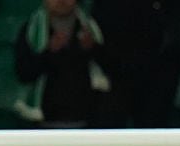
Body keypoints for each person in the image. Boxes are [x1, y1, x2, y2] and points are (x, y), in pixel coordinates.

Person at [91, 0, 180, 127]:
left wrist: (165, 78)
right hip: (113, 77)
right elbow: (97, 30)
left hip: (156, 79)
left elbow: (177, 34)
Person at [14, 0, 110, 128]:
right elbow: (23, 73)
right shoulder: (31, 29)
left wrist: (93, 48)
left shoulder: (92, 28)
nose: (61, 1)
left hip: (88, 123)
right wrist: (49, 52)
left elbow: (113, 70)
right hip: (43, 124)